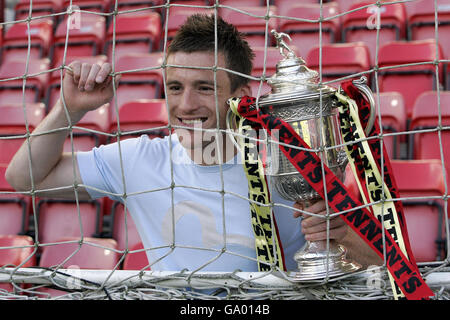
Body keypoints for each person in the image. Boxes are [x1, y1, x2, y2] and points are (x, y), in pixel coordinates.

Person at [5, 14, 380, 272]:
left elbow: (380, 260)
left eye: (204, 87)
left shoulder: (289, 162)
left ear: (241, 95)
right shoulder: (138, 159)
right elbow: (24, 178)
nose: (186, 105)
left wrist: (341, 234)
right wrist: (67, 110)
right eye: (175, 88)